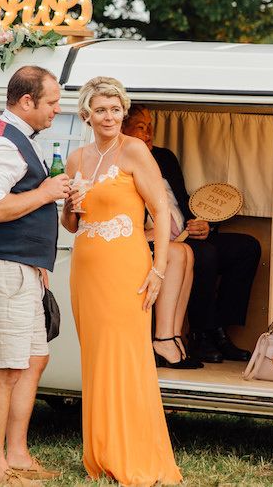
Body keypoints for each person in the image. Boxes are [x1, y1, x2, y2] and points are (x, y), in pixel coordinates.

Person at [61, 76, 182, 486]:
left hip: (127, 268)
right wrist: (70, 206)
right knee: (96, 360)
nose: (109, 116)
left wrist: (159, 269)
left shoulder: (134, 152)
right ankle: (102, 450)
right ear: (87, 114)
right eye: (101, 109)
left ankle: (134, 452)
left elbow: (161, 213)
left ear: (122, 112)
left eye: (115, 109)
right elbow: (71, 224)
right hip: (86, 271)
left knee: (126, 358)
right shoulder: (76, 158)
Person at [0, 65, 69, 486]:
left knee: (34, 359)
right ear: (26, 101)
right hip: (3, 269)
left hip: (25, 269)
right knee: (8, 368)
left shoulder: (23, 139)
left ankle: (19, 453)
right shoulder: (4, 144)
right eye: (51, 102)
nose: (56, 110)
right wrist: (46, 192)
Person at [122, 105, 261, 363]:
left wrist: (203, 224)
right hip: (153, 240)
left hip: (184, 232)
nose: (150, 133)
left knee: (247, 247)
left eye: (151, 126)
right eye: (141, 128)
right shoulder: (122, 164)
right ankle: (201, 335)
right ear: (122, 129)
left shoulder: (164, 158)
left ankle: (221, 330)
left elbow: (183, 202)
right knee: (204, 255)